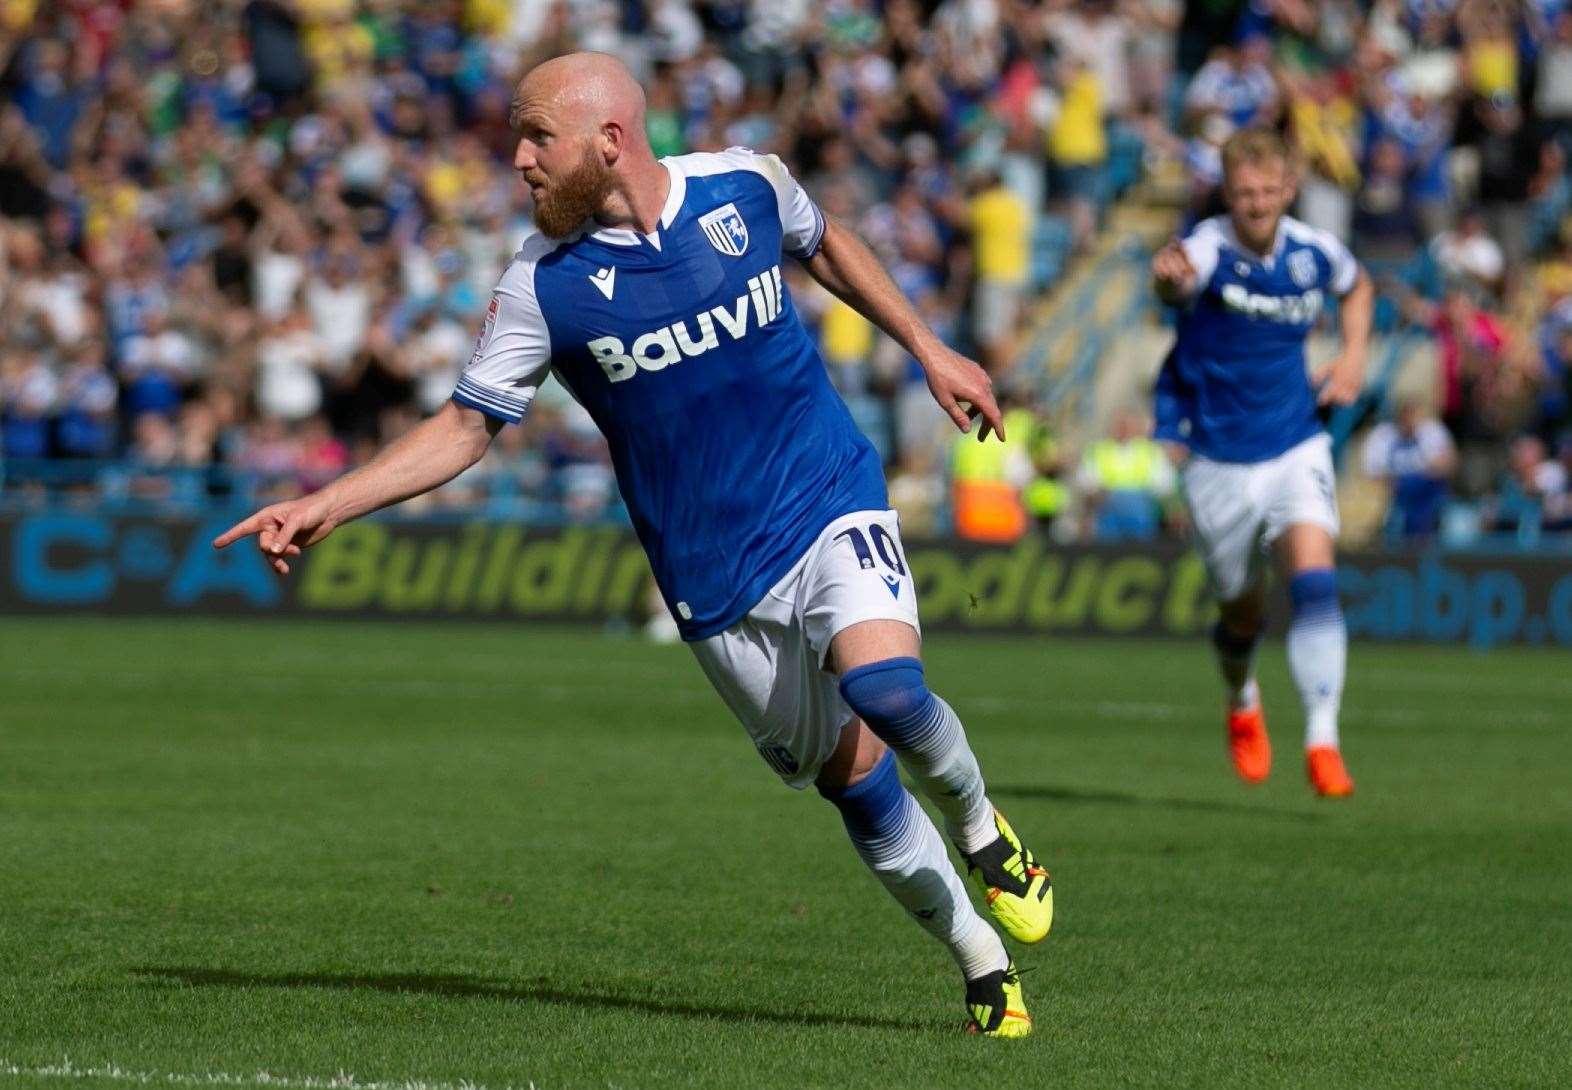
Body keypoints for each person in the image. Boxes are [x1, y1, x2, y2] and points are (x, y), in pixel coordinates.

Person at [214, 52, 1051, 1038]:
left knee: (890, 690)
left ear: (607, 142)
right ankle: (978, 956)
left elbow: (823, 242)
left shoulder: (743, 184)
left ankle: (983, 827)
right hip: (711, 579)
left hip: (826, 493)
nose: (519, 160)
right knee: (856, 784)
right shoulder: (542, 287)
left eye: (537, 139)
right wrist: (331, 502)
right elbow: (465, 427)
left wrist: (929, 347)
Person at [1149, 128, 1373, 798]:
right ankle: (1242, 695)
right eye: (1243, 193)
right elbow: (1173, 284)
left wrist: (1355, 354)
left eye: (1267, 192)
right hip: (1218, 456)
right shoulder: (1208, 248)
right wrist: (1168, 284)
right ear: (1227, 191)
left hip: (1294, 441)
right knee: (1241, 612)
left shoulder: (1313, 252)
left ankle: (1323, 740)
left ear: (1287, 188)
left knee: (1314, 577)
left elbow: (1357, 287)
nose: (1255, 204)